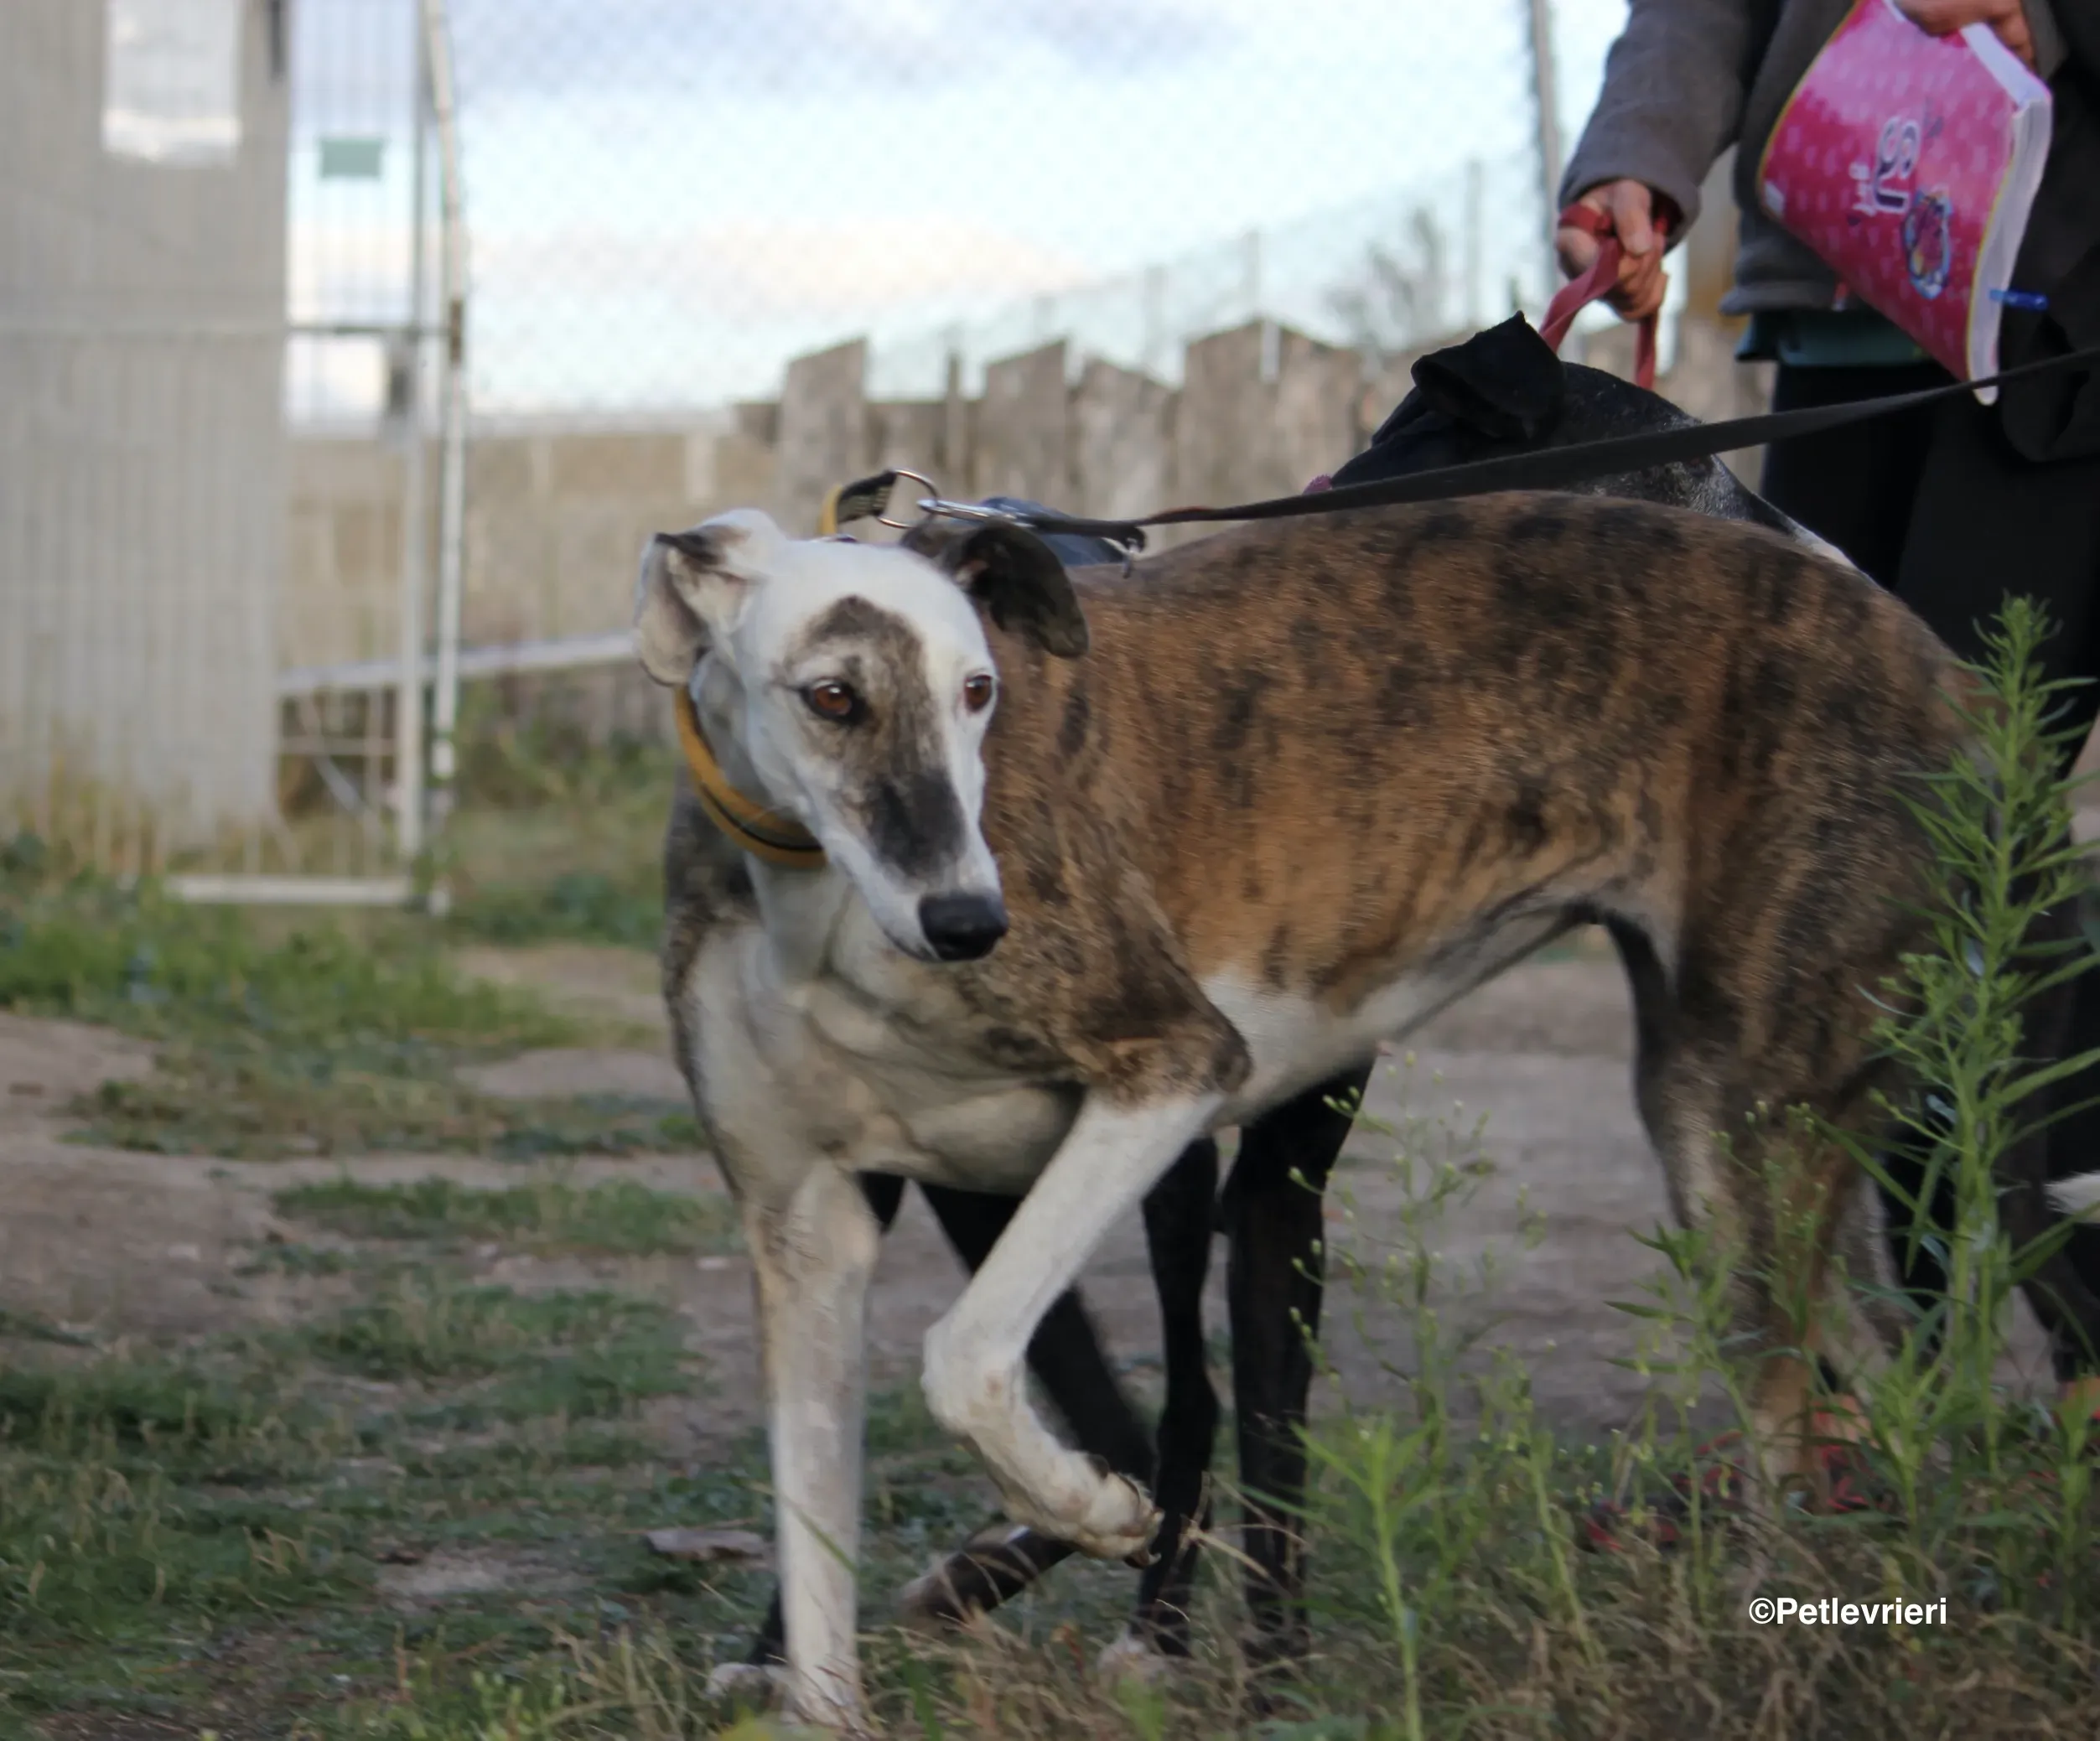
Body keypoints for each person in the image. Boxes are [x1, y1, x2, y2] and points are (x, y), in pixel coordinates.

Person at [1556, 0, 2100, 1402]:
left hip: (2055, 331)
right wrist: (1642, 166)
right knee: (1824, 882)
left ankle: (2076, 1359)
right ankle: (1869, 1406)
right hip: (1837, 314)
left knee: (1972, 863)